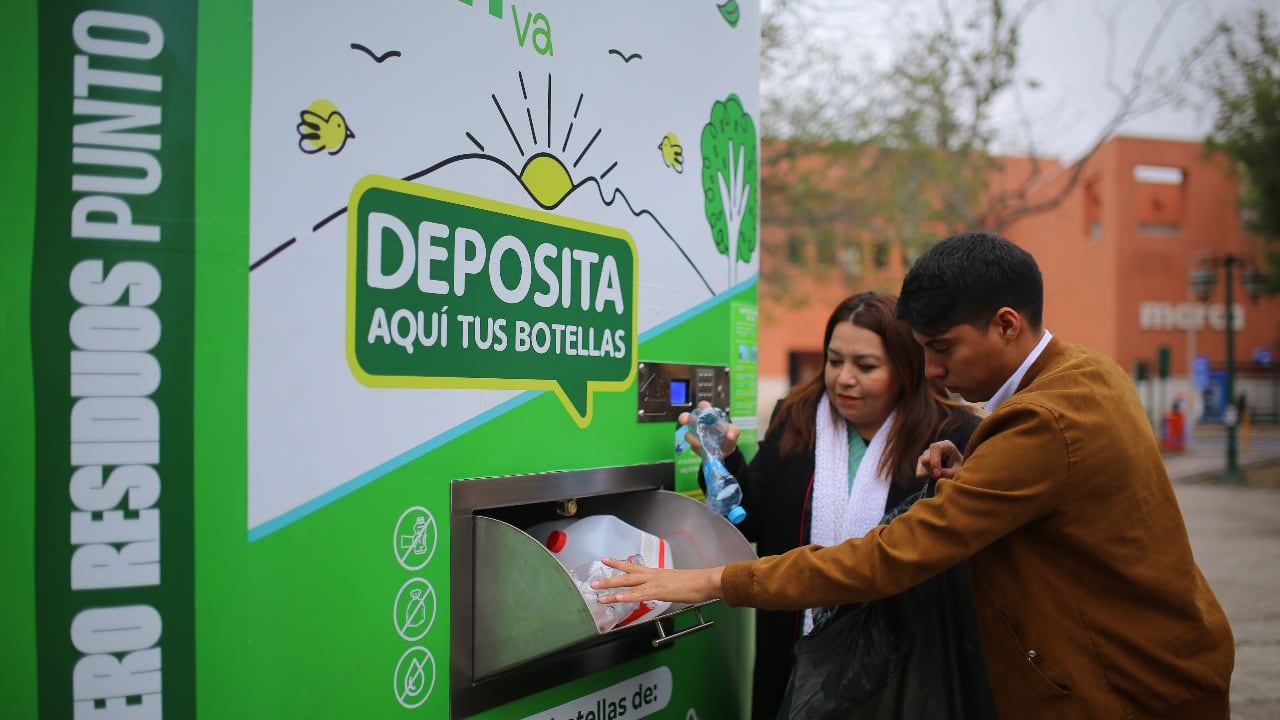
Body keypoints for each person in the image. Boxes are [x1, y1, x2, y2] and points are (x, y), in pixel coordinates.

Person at [597, 232, 1234, 719]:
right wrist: (972, 468)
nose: (932, 369)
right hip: (1151, 665)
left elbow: (895, 554)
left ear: (1006, 325)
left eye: (942, 348)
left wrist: (712, 579)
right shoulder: (1085, 374)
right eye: (835, 361)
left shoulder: (1036, 419)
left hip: (1116, 687)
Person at [682, 291, 985, 720]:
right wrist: (723, 459)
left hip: (904, 669)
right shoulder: (797, 418)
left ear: (904, 368)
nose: (844, 378)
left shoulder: (951, 435)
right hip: (792, 652)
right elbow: (754, 518)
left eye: (865, 366)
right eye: (834, 360)